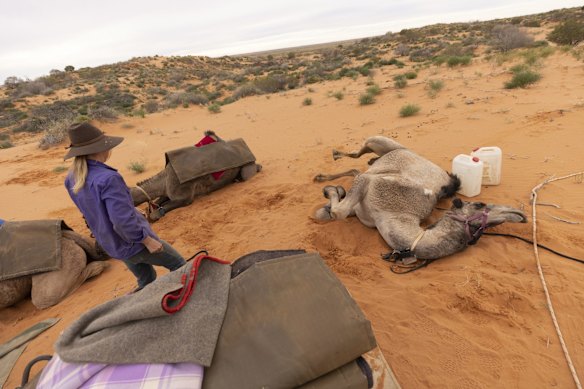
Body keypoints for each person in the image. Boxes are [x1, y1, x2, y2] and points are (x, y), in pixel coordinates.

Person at [63, 122, 185, 291]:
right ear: (99, 149)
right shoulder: (109, 178)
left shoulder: (72, 178)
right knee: (180, 265)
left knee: (146, 279)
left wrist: (130, 209)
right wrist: (147, 240)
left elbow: (94, 210)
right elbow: (121, 221)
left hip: (112, 244)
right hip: (134, 243)